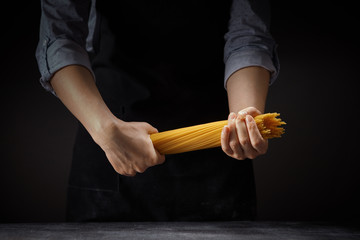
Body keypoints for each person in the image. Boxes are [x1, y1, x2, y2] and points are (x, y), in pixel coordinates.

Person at [36, 0, 279, 221]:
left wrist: (243, 118)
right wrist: (105, 129)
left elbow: (249, 36)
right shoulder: (106, 132)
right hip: (108, 139)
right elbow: (61, 37)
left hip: (216, 144)